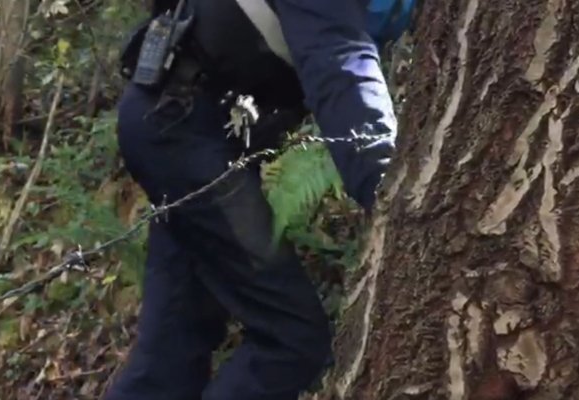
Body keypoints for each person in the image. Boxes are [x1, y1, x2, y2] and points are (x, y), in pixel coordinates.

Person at [103, 0, 402, 399]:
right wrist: (394, 195)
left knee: (173, 345)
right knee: (291, 339)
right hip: (183, 131)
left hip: (176, 126)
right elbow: (341, 67)